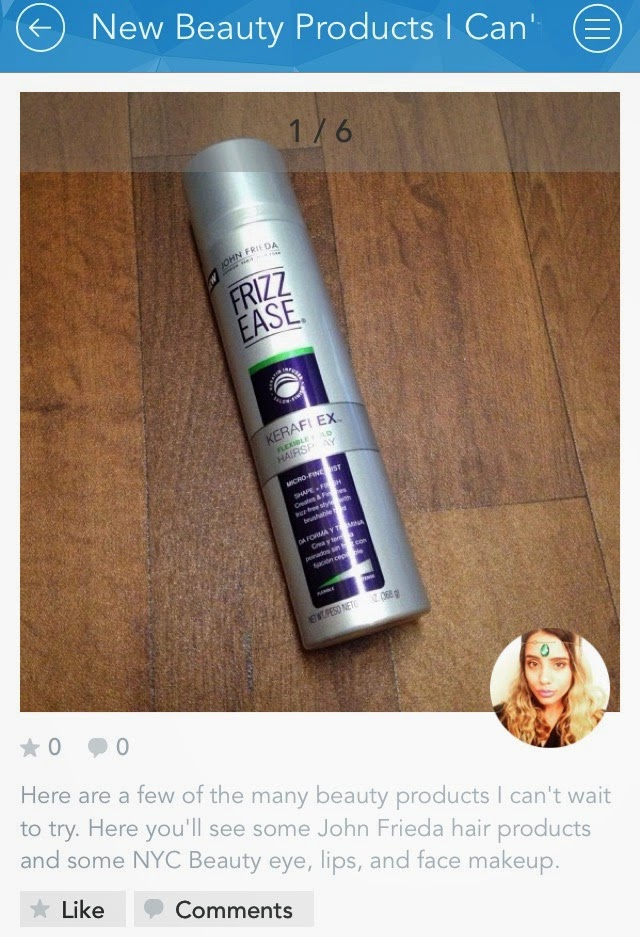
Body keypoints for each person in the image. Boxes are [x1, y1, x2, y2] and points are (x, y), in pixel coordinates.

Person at [495, 629, 606, 747]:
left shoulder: (598, 722)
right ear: (523, 667)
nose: (544, 679)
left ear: (575, 668)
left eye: (559, 664)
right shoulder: (501, 717)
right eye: (533, 663)